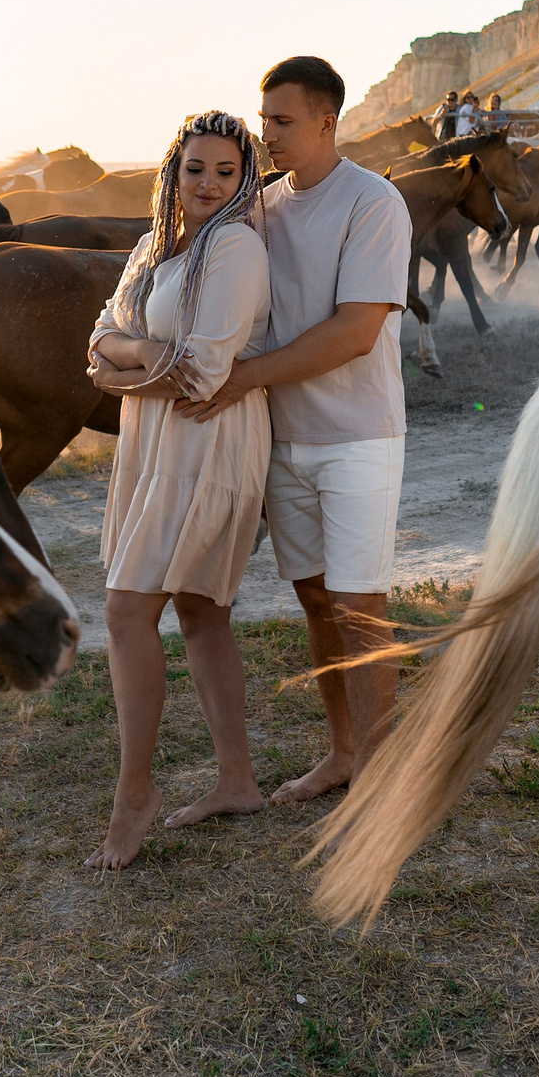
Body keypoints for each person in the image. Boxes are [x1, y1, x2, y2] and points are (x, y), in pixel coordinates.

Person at [178, 55, 413, 804]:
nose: (267, 134)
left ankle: (382, 777)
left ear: (326, 120)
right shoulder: (263, 209)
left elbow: (356, 331)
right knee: (315, 600)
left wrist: (245, 377)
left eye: (282, 121)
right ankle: (344, 753)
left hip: (359, 436)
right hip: (284, 440)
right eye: (264, 119)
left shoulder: (372, 202)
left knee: (360, 605)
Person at [83, 109, 274, 869]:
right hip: (157, 441)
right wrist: (134, 354)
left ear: (244, 179)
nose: (209, 183)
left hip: (211, 444)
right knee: (200, 611)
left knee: (127, 611)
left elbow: (203, 373)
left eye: (227, 172)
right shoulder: (155, 245)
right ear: (175, 169)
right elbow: (101, 331)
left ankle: (136, 794)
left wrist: (120, 372)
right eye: (197, 168)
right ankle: (238, 779)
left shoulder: (236, 247)